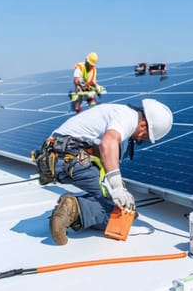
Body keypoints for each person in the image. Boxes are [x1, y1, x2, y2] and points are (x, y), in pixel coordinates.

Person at [43, 99, 173, 245]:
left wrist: (114, 188)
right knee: (117, 213)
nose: (140, 140)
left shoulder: (119, 112)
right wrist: (117, 187)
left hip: (58, 158)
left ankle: (77, 209)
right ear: (143, 126)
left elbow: (99, 149)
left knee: (121, 205)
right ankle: (76, 209)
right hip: (70, 158)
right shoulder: (127, 118)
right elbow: (108, 143)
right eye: (144, 137)